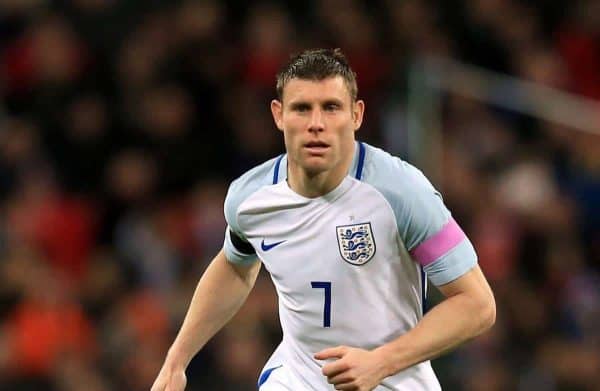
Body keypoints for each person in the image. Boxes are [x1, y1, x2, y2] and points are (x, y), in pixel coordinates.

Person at [151, 48, 496, 391]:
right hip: (296, 379)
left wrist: (382, 361)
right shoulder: (250, 199)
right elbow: (236, 266)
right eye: (302, 108)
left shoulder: (402, 193)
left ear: (356, 114)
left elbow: (477, 304)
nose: (317, 124)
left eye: (331, 108)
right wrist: (177, 359)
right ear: (279, 115)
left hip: (393, 381)